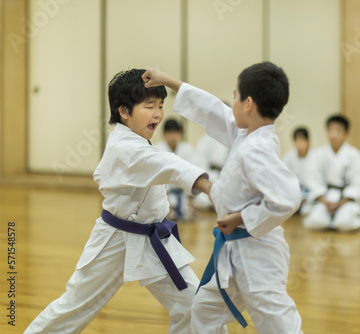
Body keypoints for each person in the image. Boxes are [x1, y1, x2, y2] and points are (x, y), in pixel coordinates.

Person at [24, 69, 212, 334]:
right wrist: (209, 187)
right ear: (124, 111)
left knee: (194, 302)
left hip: (154, 239)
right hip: (115, 238)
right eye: (149, 106)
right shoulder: (125, 147)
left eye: (160, 105)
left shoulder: (137, 142)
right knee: (75, 306)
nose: (158, 113)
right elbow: (167, 164)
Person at [142, 61, 303, 333]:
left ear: (248, 104)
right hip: (235, 252)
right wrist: (167, 81)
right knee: (204, 310)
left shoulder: (257, 148)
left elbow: (288, 198)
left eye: (235, 96)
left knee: (278, 324)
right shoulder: (248, 135)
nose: (232, 102)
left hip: (258, 255)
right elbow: (213, 110)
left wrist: (241, 218)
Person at [304, 114, 360, 231]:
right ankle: (330, 220)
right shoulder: (319, 154)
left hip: (346, 199)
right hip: (325, 198)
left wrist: (341, 202)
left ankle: (347, 220)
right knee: (315, 222)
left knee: (344, 223)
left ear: (346, 134)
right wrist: (324, 200)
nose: (333, 135)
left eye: (338, 130)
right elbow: (313, 180)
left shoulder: (354, 155)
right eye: (330, 130)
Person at [154, 118, 203, 220]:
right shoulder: (157, 150)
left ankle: (187, 205)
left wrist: (191, 198)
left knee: (194, 209)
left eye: (175, 133)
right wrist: (165, 198)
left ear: (180, 134)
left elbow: (193, 174)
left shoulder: (187, 149)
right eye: (169, 133)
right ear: (164, 134)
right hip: (166, 194)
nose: (173, 137)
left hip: (184, 192)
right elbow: (156, 180)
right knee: (164, 212)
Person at [193, 132, 230, 210]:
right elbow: (201, 164)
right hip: (211, 174)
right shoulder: (204, 140)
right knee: (202, 199)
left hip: (227, 176)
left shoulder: (230, 137)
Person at [283, 127, 313, 214]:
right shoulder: (288, 156)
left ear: (307, 141)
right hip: (295, 191)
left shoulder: (315, 156)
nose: (299, 144)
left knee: (308, 209)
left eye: (302, 140)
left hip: (309, 191)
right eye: (297, 141)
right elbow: (284, 177)